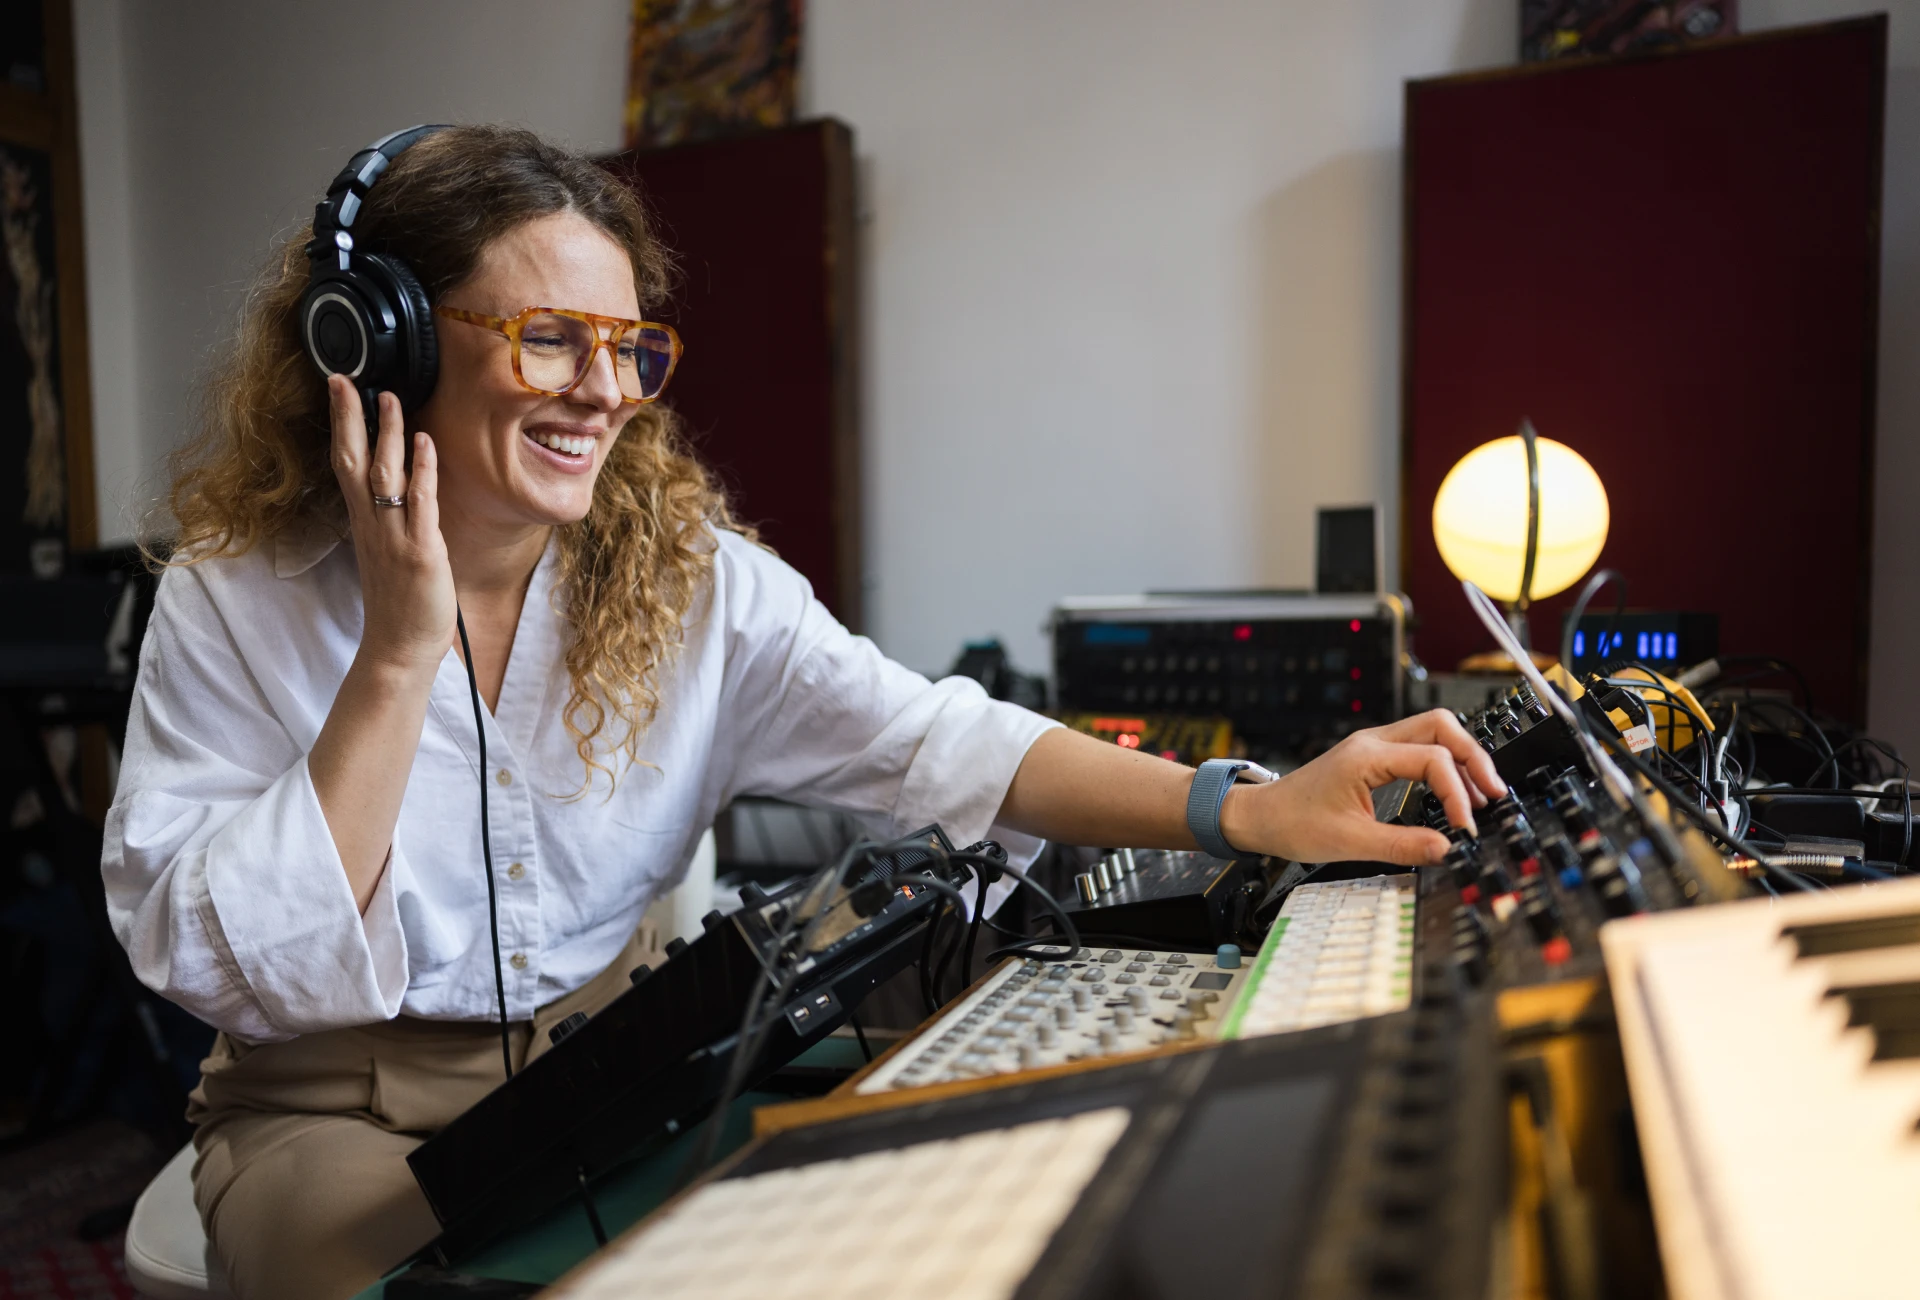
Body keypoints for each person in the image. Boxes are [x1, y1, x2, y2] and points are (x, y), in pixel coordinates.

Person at [102, 125, 1503, 1300]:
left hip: (608, 1074)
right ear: (384, 344)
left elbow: (933, 738)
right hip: (332, 1117)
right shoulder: (237, 601)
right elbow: (225, 966)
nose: (602, 390)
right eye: (546, 340)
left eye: (626, 346)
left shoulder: (689, 579)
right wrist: (397, 659)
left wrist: (1239, 806)